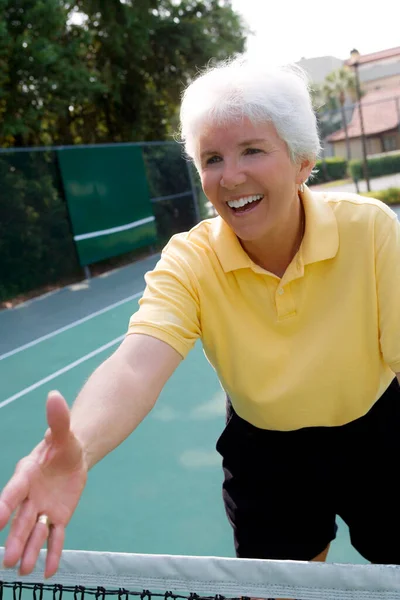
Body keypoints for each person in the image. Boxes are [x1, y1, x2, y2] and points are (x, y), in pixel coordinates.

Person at [1, 55, 400, 581]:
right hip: (266, 454)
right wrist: (80, 447)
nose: (231, 176)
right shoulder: (191, 258)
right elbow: (135, 366)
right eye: (212, 158)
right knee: (272, 594)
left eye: (252, 150)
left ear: (303, 161)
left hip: (376, 436)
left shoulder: (369, 229)